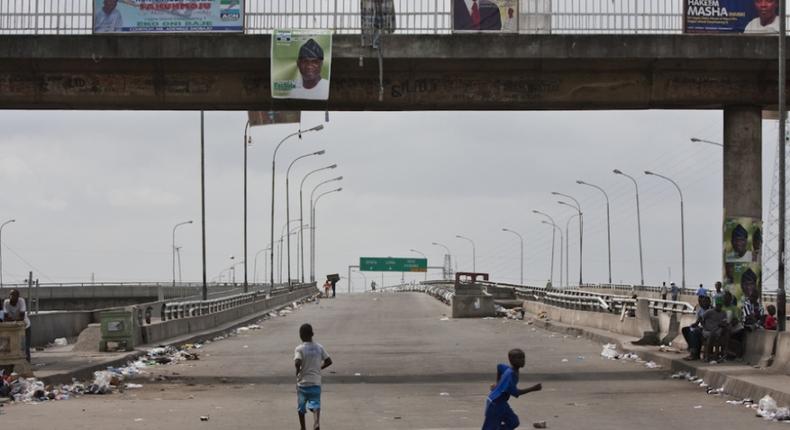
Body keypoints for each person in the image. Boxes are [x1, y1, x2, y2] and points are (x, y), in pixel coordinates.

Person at [482, 348, 542, 430]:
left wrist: (497, 383)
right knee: (489, 427)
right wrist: (533, 388)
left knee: (513, 422)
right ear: (511, 359)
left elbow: (499, 367)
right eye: (519, 358)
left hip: (502, 403)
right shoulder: (511, 374)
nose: (523, 360)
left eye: (523, 357)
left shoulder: (508, 368)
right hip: (495, 403)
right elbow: (516, 393)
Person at [294, 323, 332, 430]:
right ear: (312, 334)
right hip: (315, 383)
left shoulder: (299, 348)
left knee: (301, 409)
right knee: (315, 405)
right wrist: (318, 368)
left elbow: (297, 362)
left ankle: (303, 428)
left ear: (301, 335)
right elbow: (329, 361)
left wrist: (297, 371)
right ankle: (316, 423)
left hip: (303, 384)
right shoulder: (319, 347)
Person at [3, 289, 31, 362]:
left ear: (18, 296)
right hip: (13, 327)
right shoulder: (6, 302)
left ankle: (27, 363)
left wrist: (11, 319)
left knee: (25, 346)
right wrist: (14, 320)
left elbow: (22, 317)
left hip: (25, 326)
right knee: (11, 346)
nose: (12, 296)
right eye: (11, 295)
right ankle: (14, 363)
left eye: (14, 295)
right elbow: (5, 317)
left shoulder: (21, 301)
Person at [682, 295, 711, 361]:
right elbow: (697, 322)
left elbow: (709, 323)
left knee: (695, 332)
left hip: (708, 329)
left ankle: (694, 353)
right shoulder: (700, 311)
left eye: (706, 302)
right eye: (703, 302)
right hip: (701, 327)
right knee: (685, 330)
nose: (704, 303)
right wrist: (693, 325)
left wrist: (700, 324)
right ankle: (692, 350)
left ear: (709, 302)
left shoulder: (711, 310)